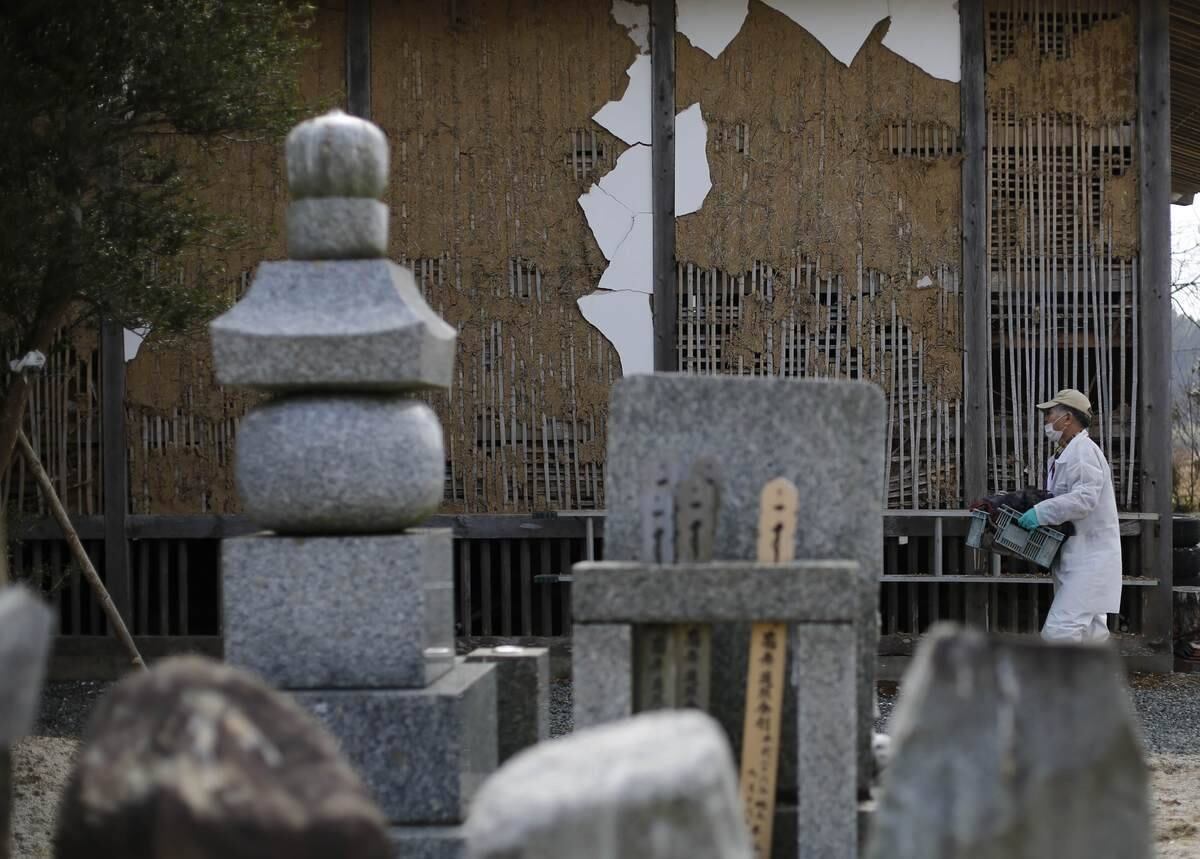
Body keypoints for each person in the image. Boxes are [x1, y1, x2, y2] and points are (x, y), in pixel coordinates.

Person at [1017, 389, 1122, 642]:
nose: (1046, 419)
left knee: (1059, 632)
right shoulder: (1065, 453)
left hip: (1090, 562)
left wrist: (1040, 512)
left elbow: (1084, 499)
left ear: (1067, 419)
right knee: (1091, 636)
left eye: (1050, 413)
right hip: (1078, 558)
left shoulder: (1083, 451)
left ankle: (1055, 682)